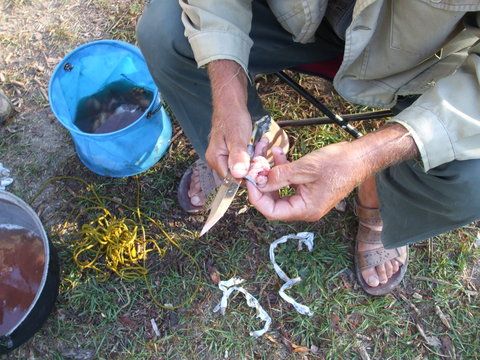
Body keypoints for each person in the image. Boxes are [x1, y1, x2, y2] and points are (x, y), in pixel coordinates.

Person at [137, 0, 480, 295]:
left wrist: (367, 156)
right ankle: (251, 136)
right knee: (165, 34)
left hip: (422, 63)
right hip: (291, 19)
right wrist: (228, 94)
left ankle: (378, 192)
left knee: (472, 180)